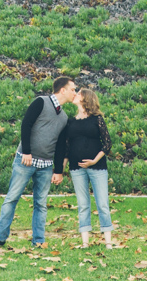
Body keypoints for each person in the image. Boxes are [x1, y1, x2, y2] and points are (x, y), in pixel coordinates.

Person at [0, 76, 78, 249]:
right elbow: (26, 125)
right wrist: (27, 152)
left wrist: (58, 170)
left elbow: (60, 146)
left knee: (41, 203)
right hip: (25, 161)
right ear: (63, 90)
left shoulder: (64, 117)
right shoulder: (41, 102)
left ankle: (38, 240)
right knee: (12, 198)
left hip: (45, 166)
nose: (75, 92)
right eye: (73, 89)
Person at [59, 87, 115, 248]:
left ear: (86, 99)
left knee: (102, 203)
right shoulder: (71, 121)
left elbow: (107, 144)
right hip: (76, 168)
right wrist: (61, 169)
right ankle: (85, 242)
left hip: (97, 167)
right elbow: (67, 147)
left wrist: (94, 160)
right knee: (83, 204)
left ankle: (108, 242)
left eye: (79, 94)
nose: (75, 95)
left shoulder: (97, 119)